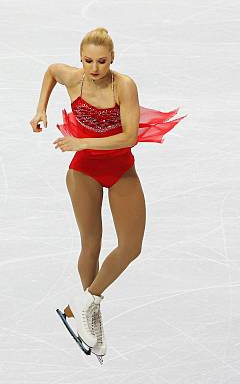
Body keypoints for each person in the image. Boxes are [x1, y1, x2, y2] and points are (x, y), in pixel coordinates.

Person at [29, 27, 184, 362]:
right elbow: (52, 71)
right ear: (81, 59)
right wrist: (40, 110)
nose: (94, 67)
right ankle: (91, 315)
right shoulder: (73, 78)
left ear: (112, 59)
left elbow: (128, 137)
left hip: (119, 168)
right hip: (83, 170)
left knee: (131, 246)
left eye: (101, 61)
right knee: (91, 244)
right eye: (87, 61)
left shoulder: (123, 85)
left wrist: (82, 140)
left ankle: (84, 303)